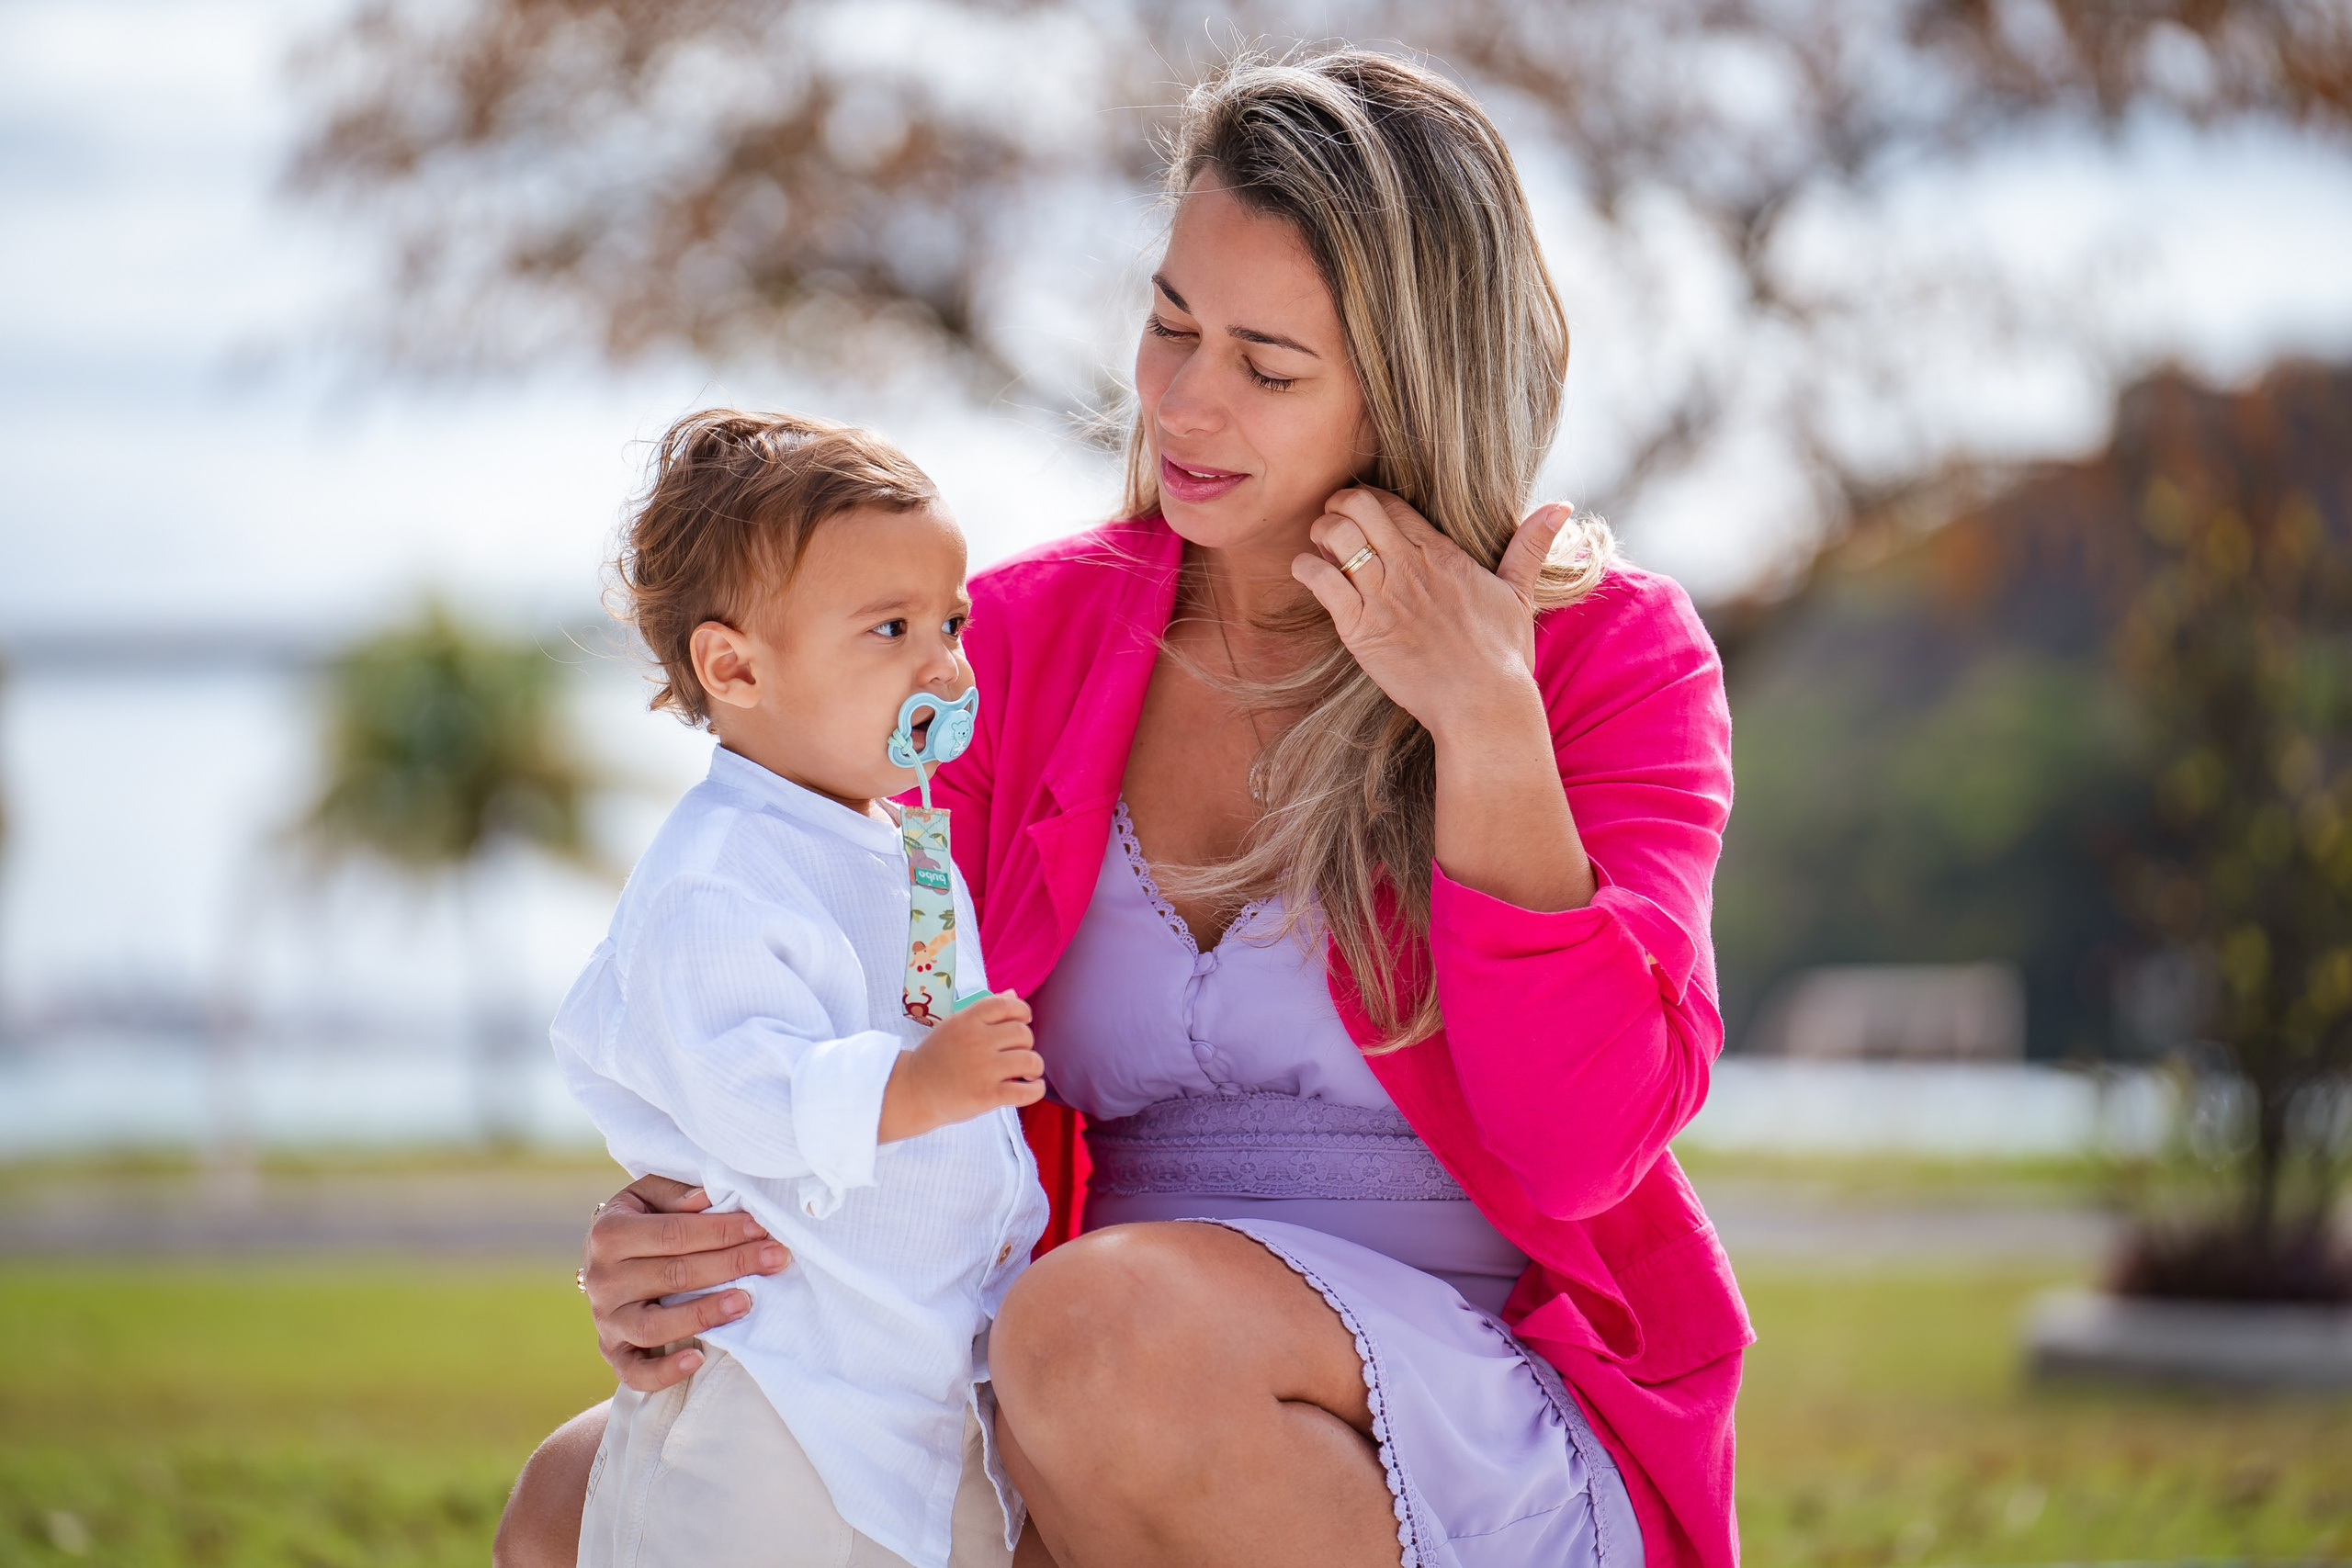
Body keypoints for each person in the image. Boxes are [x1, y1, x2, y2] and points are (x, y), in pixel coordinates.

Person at [503, 50, 1750, 1568]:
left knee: (1099, 1332)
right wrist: (681, 1217)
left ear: (1417, 383)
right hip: (1067, 1369)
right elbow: (826, 976)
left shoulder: (1605, 653)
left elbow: (1584, 1146)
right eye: (1171, 325)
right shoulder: (1012, 643)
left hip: (1464, 1408)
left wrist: (1486, 723)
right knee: (582, 1502)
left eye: (1267, 367)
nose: (1184, 401)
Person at [553, 409, 1051, 1568]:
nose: (944, 666)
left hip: (914, 1362)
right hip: (778, 1373)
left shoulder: (896, 842)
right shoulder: (719, 871)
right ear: (735, 668)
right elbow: (743, 1086)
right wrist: (918, 1088)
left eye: (951, 623)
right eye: (890, 629)